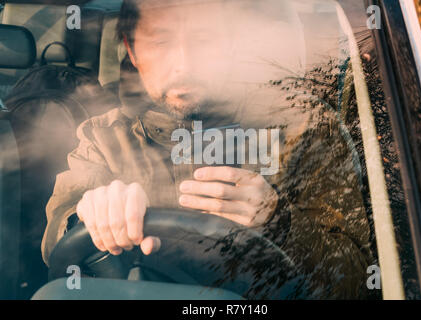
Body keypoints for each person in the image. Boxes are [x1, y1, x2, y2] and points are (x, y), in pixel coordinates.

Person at [41, 0, 374, 298]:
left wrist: (281, 222)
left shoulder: (303, 127)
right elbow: (58, 236)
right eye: (161, 41)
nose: (185, 64)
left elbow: (356, 277)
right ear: (132, 50)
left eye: (204, 40)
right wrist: (87, 216)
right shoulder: (103, 138)